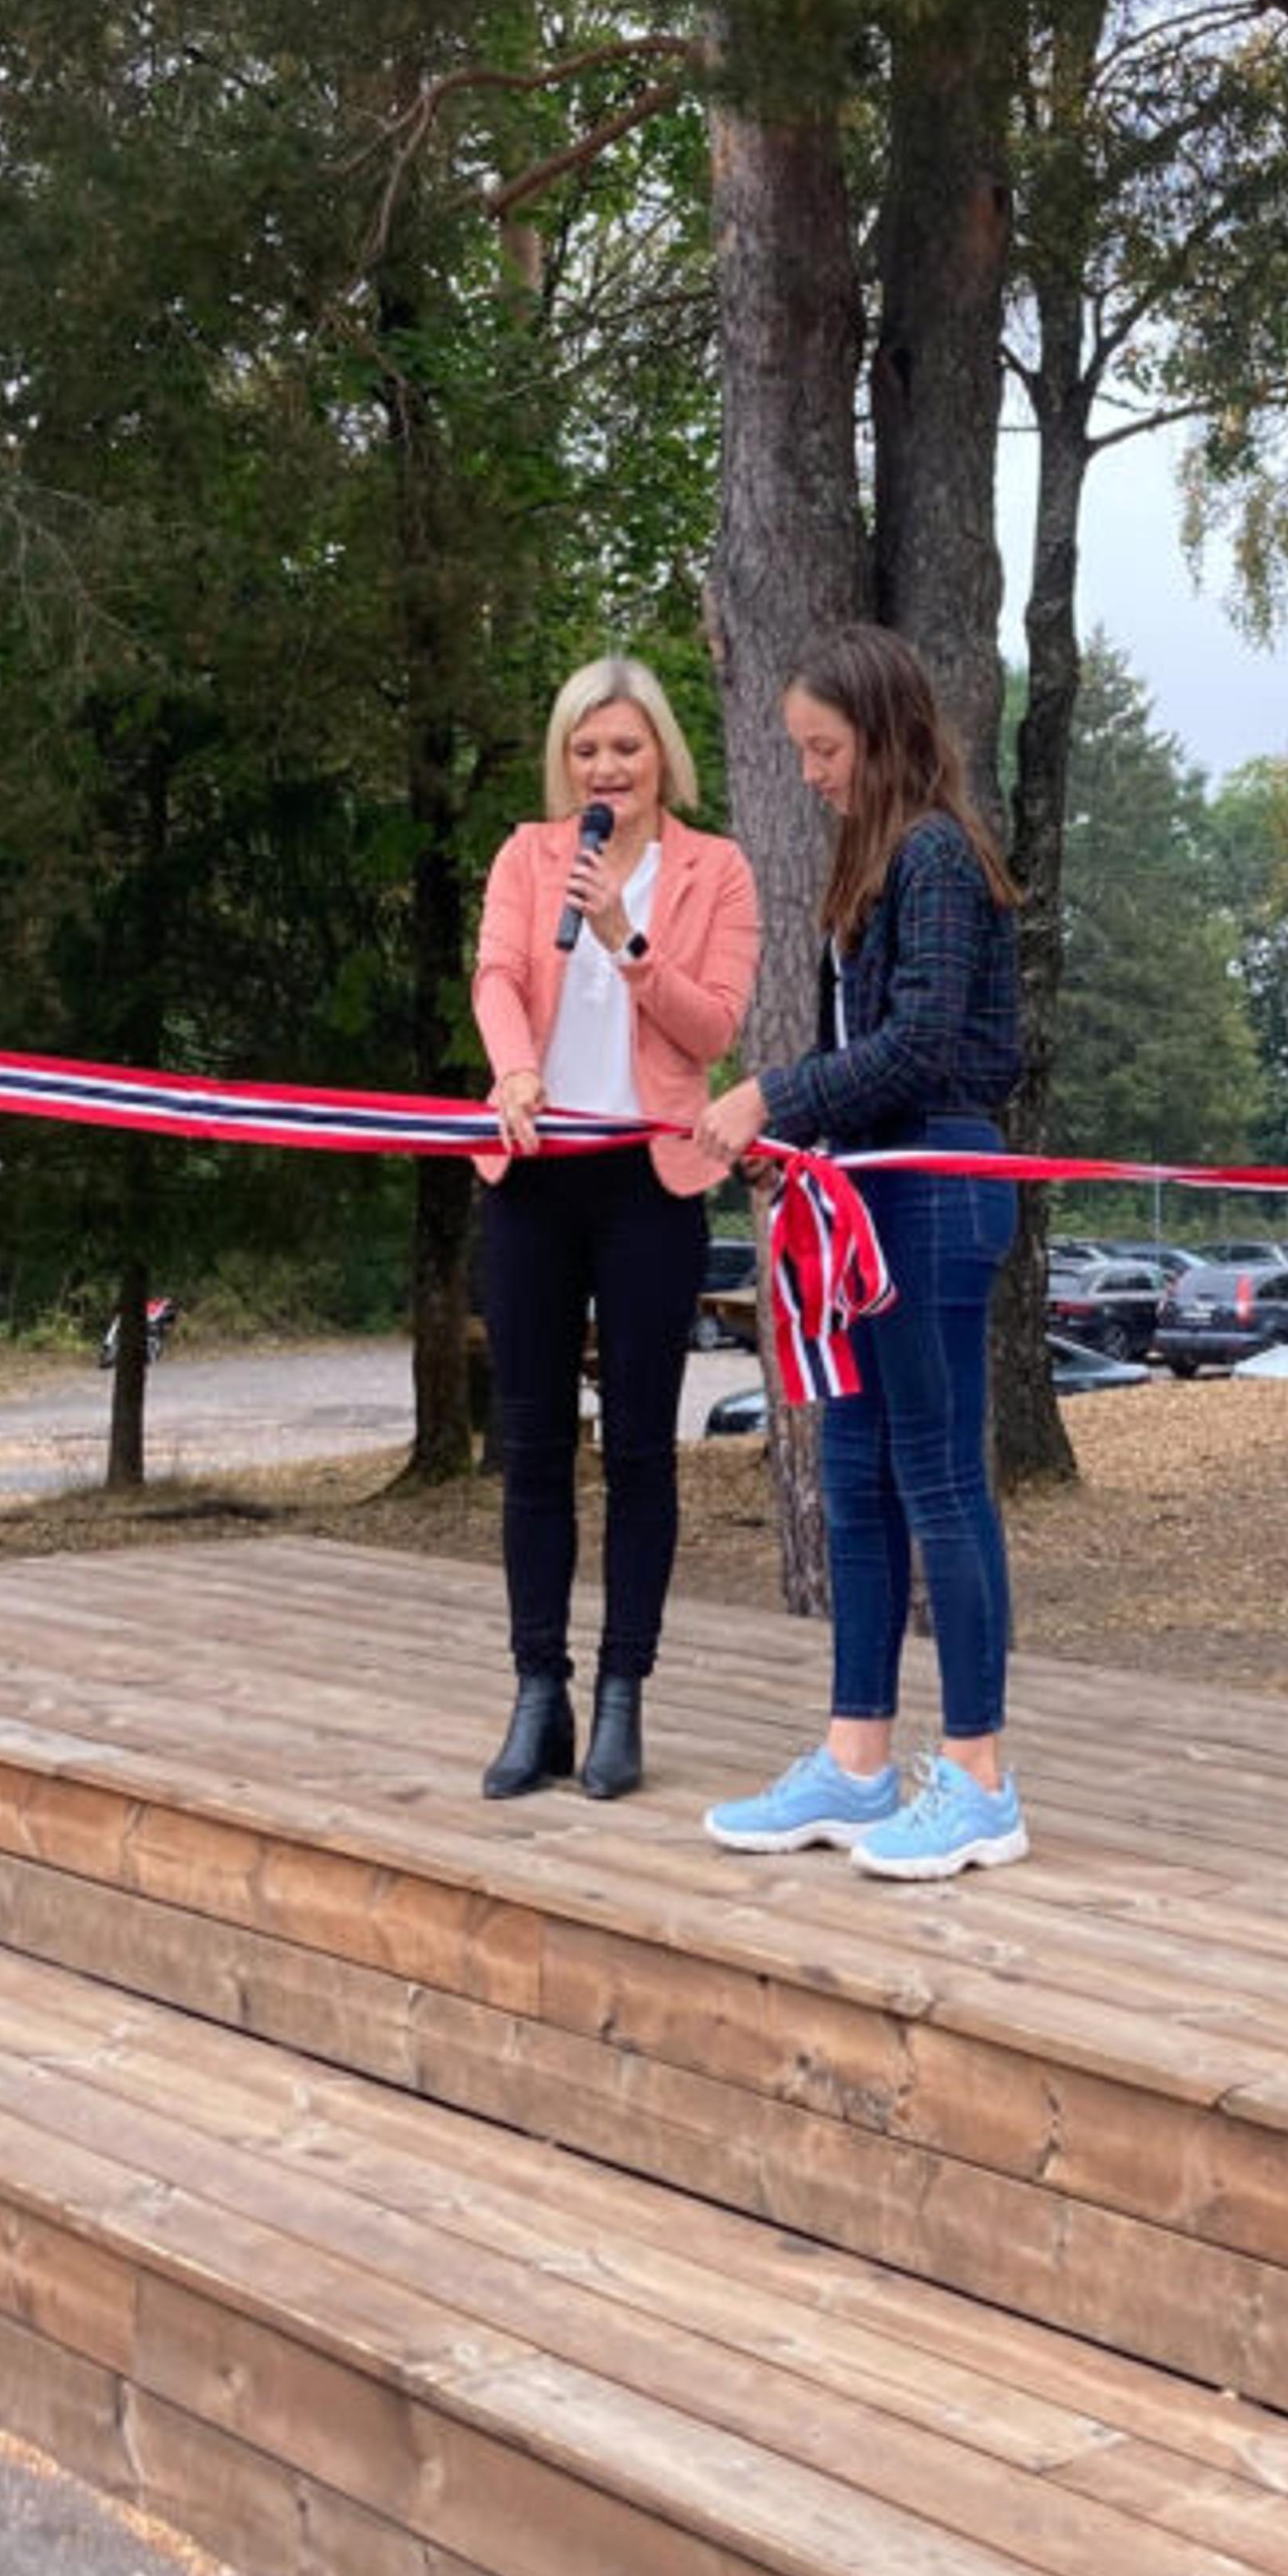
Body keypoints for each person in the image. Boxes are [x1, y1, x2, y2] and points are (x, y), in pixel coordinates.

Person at [693, 623, 1029, 1882]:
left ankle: (981, 1781)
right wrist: (798, 1139)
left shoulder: (937, 855)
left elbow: (927, 1046)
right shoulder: (873, 862)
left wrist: (774, 1096)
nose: (811, 773)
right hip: (860, 1195)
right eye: (800, 750)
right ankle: (856, 1760)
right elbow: (868, 1055)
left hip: (932, 1189)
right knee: (855, 1473)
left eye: (824, 749)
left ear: (882, 737)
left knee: (939, 1479)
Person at [470, 656, 761, 1801]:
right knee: (533, 1446)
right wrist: (515, 1070)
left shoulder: (716, 870)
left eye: (626, 748)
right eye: (586, 749)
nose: (606, 769)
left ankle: (623, 1694)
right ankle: (537, 1693)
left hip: (651, 1184)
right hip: (534, 1176)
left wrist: (625, 939)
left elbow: (714, 1029)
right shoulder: (526, 856)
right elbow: (498, 977)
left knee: (640, 1449)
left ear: (661, 757)